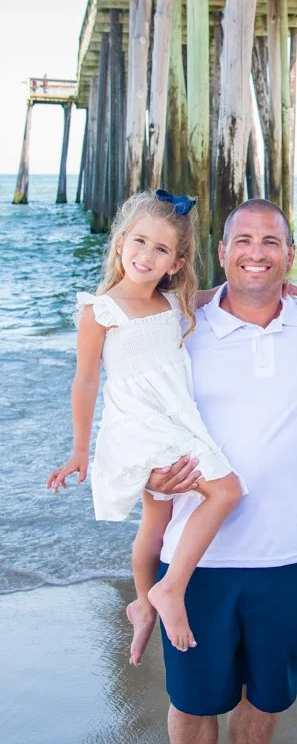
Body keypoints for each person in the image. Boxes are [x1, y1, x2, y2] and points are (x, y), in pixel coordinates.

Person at [144, 198, 297, 744]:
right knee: (193, 700)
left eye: (273, 241)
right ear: (221, 251)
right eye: (243, 240)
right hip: (196, 561)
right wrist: (148, 486)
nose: (258, 251)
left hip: (288, 553)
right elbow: (134, 411)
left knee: (266, 694)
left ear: (290, 255)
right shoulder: (178, 324)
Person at [47, 190, 244, 663]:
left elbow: (214, 295)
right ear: (119, 243)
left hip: (173, 416)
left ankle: (142, 603)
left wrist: (276, 289)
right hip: (140, 426)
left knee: (155, 519)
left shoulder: (173, 301)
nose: (145, 255)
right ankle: (169, 589)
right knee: (227, 491)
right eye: (138, 242)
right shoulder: (101, 311)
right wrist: (81, 452)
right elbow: (86, 381)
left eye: (160, 249)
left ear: (175, 262)